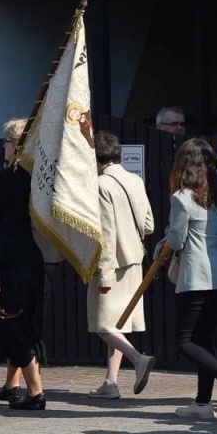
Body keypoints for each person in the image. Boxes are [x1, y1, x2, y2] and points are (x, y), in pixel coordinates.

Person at [157, 137, 217, 421]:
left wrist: (161, 246)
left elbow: (177, 239)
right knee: (205, 338)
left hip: (197, 277)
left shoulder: (181, 198)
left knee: (185, 341)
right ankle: (202, 403)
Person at [0, 118, 48, 411]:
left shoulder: (11, 178)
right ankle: (12, 385)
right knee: (13, 321)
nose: (4, 147)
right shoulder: (37, 177)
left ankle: (36, 393)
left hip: (13, 260)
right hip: (31, 260)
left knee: (15, 322)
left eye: (7, 142)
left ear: (18, 145)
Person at [88, 131, 156, 398]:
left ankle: (138, 359)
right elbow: (148, 225)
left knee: (104, 325)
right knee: (118, 324)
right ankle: (110, 383)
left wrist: (103, 275)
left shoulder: (101, 185)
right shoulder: (135, 180)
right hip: (135, 263)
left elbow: (105, 235)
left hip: (112, 266)